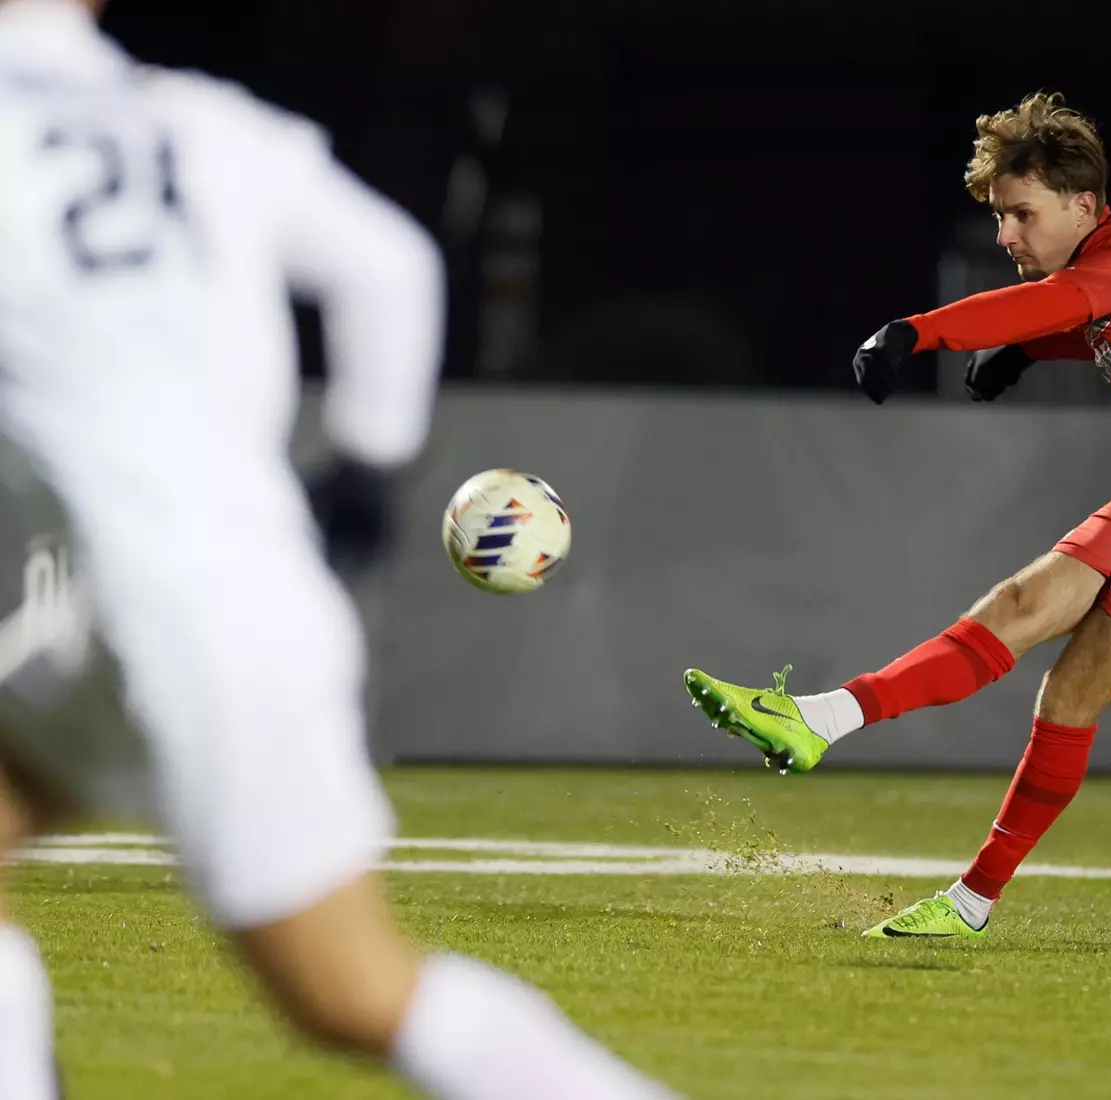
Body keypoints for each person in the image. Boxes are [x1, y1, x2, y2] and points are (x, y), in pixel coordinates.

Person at [0, 1, 675, 1096]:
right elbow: (390, 264)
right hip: (187, 591)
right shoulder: (199, 119)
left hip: (161, 613)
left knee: (352, 992)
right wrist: (363, 471)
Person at [684, 91, 1111, 939]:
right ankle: (815, 721)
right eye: (1001, 216)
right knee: (1013, 609)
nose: (1005, 234)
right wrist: (1021, 351)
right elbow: (1084, 318)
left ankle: (972, 901)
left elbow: (1060, 306)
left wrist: (917, 332)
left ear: (1084, 206)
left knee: (1070, 690)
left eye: (1021, 214)